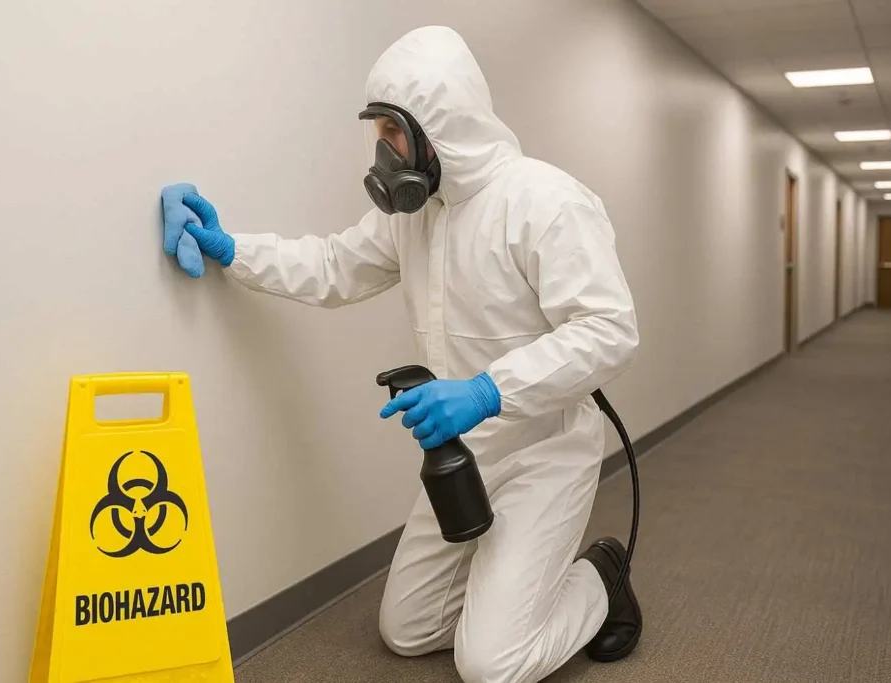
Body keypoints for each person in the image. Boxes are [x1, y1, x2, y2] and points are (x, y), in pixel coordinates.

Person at [164, 25, 641, 683]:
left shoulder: (545, 201)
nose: (382, 148)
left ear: (438, 124)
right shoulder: (417, 215)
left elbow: (608, 330)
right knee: (408, 630)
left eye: (392, 129)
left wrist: (487, 391)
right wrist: (232, 248)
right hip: (466, 453)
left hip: (545, 450)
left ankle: (600, 578)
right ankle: (509, 591)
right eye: (379, 130)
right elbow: (332, 266)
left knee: (492, 666)